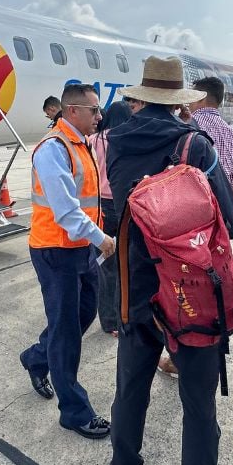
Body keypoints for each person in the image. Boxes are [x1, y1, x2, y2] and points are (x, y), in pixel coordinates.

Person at [107, 55, 233, 465]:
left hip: (137, 290)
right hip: (191, 298)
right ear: (179, 99)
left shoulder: (114, 142)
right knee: (198, 406)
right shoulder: (195, 145)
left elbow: (116, 216)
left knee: (130, 392)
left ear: (141, 97)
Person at [20, 84, 116, 440]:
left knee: (82, 315)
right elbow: (65, 210)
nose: (99, 116)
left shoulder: (81, 144)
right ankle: (74, 411)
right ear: (72, 111)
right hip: (55, 251)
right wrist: (102, 240)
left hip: (80, 249)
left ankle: (36, 357)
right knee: (66, 331)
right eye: (94, 110)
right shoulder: (53, 149)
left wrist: (94, 241)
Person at [90, 100, 133, 336]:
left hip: (101, 206)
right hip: (124, 203)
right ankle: (126, 312)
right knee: (128, 262)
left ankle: (108, 321)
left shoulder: (94, 140)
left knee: (106, 265)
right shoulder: (128, 138)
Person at [190, 76, 233, 196]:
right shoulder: (231, 133)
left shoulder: (189, 127)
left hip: (195, 207)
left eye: (192, 97)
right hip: (222, 207)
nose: (189, 103)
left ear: (201, 98)